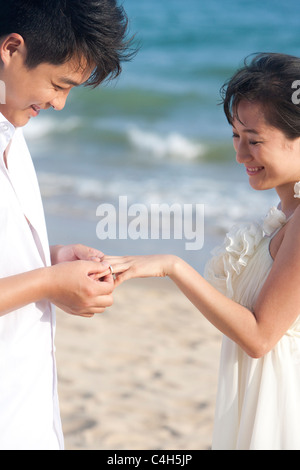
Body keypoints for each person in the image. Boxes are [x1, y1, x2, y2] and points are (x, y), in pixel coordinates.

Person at [105, 53, 300, 450]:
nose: (240, 155)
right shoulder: (286, 213)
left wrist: (173, 266)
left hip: (281, 407)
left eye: (255, 141)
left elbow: (260, 337)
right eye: (235, 135)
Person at [0, 0, 134, 450]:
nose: (59, 104)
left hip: (27, 410)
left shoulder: (12, 134)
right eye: (60, 84)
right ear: (11, 48)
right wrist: (50, 282)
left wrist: (51, 257)